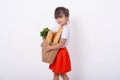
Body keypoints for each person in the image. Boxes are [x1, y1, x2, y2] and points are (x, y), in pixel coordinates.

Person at [46, 7, 71, 80]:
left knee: (62, 73)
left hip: (61, 53)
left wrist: (50, 47)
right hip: (57, 52)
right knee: (56, 72)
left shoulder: (66, 28)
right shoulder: (61, 27)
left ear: (67, 17)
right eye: (56, 17)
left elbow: (62, 43)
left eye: (60, 17)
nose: (58, 19)